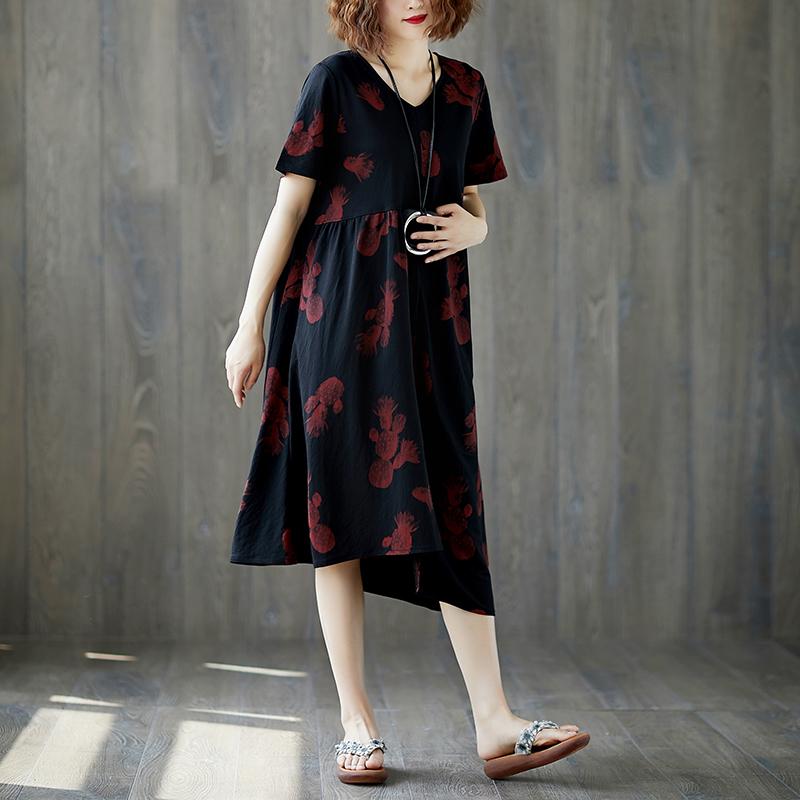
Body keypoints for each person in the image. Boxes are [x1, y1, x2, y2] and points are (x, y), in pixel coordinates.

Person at [224, 0, 589, 785]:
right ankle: (356, 724)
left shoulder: (465, 88)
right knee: (337, 513)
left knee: (455, 503)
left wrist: (478, 229)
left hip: (434, 324)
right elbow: (290, 207)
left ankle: (495, 722)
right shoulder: (334, 82)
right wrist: (249, 324)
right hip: (337, 318)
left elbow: (470, 198)